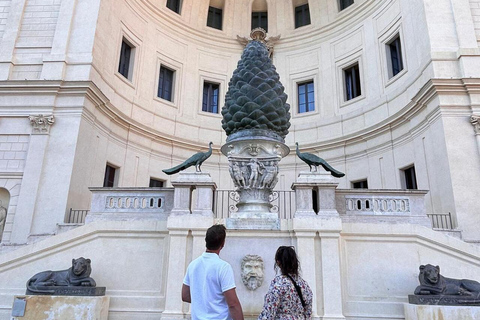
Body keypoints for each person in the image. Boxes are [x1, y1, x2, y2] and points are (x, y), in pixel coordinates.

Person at [182, 224, 244, 320]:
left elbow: (185, 296)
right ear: (222, 243)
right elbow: (233, 304)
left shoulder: (193, 265)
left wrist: (203, 300)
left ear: (206, 241)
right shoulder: (223, 267)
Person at [258, 246, 313, 320]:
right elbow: (308, 313)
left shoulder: (279, 284)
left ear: (278, 262)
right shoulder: (304, 285)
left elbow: (268, 313)